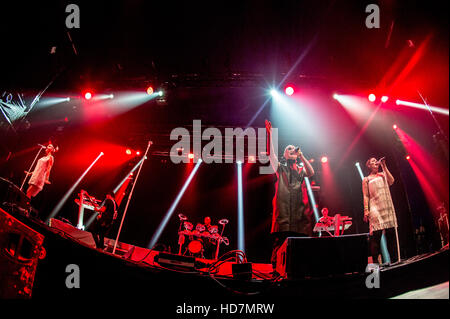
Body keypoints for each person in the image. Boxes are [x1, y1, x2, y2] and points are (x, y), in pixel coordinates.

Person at [265, 120, 315, 273]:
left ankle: (297, 271)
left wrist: (302, 155)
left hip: (299, 214)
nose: (292, 150)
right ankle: (275, 271)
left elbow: (311, 172)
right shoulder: (280, 168)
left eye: (294, 149)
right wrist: (270, 135)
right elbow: (270, 155)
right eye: (289, 149)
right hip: (284, 213)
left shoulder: (300, 169)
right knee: (281, 242)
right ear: (285, 154)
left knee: (299, 245)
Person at [362, 157, 398, 265]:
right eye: (373, 161)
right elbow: (365, 196)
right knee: (376, 235)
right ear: (369, 165)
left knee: (391, 233)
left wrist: (384, 166)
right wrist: (366, 210)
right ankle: (375, 262)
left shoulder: (383, 174)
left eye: (376, 161)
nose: (375, 162)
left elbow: (391, 181)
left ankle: (394, 260)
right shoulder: (366, 179)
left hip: (386, 206)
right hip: (375, 207)